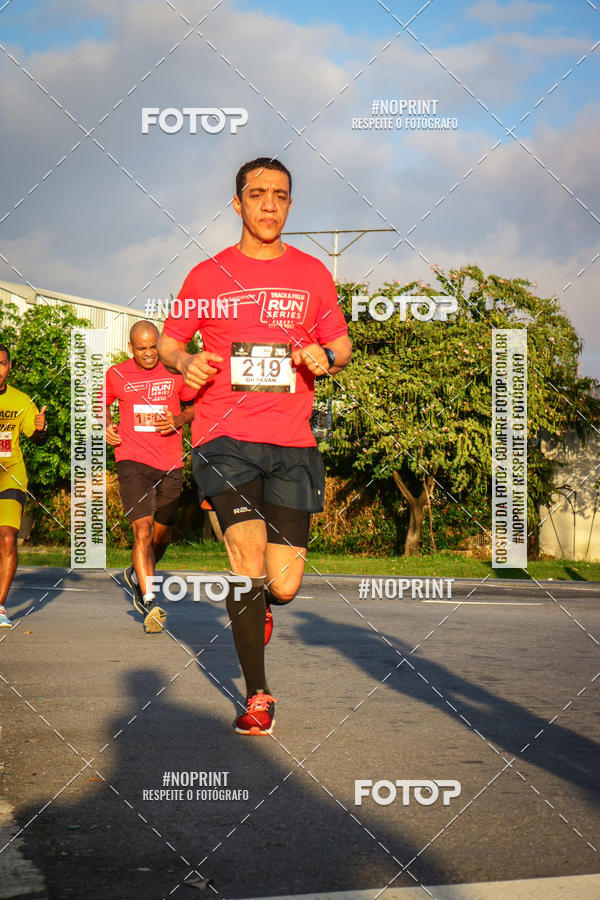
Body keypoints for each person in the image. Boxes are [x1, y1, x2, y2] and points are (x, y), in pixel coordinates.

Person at [158, 157, 352, 735]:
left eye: (281, 195)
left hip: (292, 441)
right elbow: (170, 342)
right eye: (258, 193)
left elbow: (341, 345)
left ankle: (262, 606)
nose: (270, 204)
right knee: (245, 561)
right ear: (238, 202)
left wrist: (325, 356)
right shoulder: (206, 275)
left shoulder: (313, 274)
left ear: (290, 204)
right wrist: (186, 362)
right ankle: (258, 694)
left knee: (283, 583)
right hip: (223, 436)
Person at [103, 321, 196, 633]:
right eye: (141, 348)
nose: (148, 353)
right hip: (132, 461)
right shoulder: (116, 374)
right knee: (142, 531)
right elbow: (101, 406)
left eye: (153, 347)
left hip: (170, 464)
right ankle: (149, 600)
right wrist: (106, 425)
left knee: (161, 537)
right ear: (131, 347)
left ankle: (137, 572)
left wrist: (178, 419)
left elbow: (194, 408)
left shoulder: (175, 372)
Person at [0, 344, 48, 627]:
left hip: (10, 474)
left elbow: (37, 437)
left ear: (9, 367)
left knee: (7, 538)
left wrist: (41, 427)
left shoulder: (21, 401)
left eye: (2, 363)